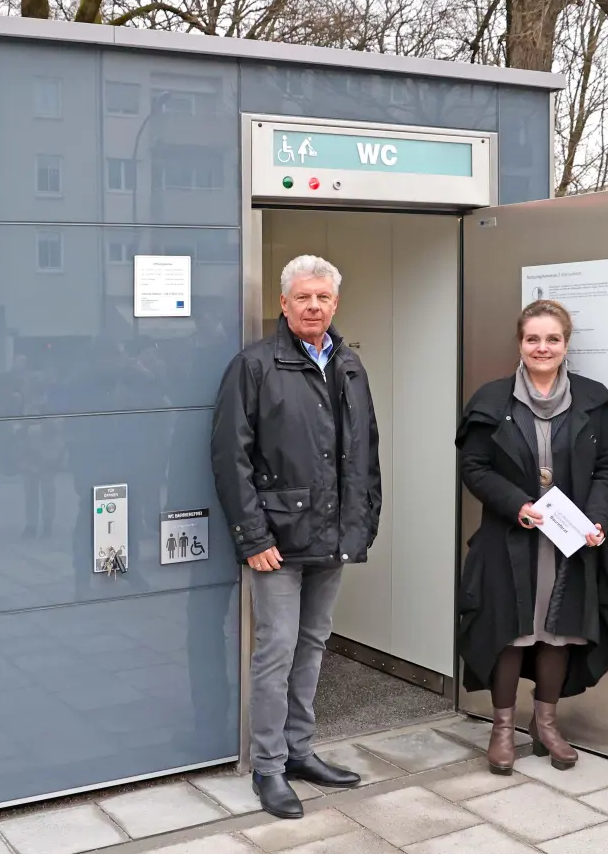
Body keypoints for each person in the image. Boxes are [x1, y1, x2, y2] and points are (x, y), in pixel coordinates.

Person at [210, 254, 382, 819]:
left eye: (323, 298)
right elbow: (228, 457)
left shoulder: (349, 364)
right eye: (303, 297)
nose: (314, 306)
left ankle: (301, 750)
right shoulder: (255, 365)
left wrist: (364, 521)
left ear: (336, 304)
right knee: (276, 649)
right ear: (283, 304)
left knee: (312, 644)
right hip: (276, 541)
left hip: (332, 534)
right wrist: (252, 537)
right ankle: (268, 766)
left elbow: (364, 454)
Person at [454, 299, 608, 776]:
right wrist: (517, 505)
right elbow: (474, 467)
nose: (542, 347)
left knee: (558, 633)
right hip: (511, 539)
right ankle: (503, 729)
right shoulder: (491, 401)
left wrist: (597, 518)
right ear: (520, 343)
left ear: (566, 344)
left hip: (570, 542)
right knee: (511, 632)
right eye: (533, 338)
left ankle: (546, 724)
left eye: (552, 339)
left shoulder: (594, 402)